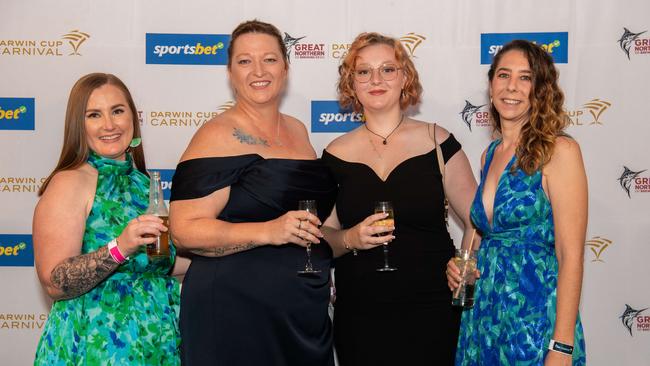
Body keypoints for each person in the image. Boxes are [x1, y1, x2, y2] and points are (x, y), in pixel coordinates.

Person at [169, 20, 337, 366]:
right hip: (234, 312)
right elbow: (184, 230)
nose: (258, 71)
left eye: (270, 60)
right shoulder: (215, 135)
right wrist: (267, 231)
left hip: (302, 313)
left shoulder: (298, 129)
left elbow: (319, 226)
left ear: (286, 68)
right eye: (245, 61)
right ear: (230, 72)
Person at [320, 32, 477, 365]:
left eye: (388, 69)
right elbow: (322, 237)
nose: (376, 79)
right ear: (352, 82)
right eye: (364, 71)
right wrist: (350, 238)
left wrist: (467, 261)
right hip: (360, 313)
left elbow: (478, 220)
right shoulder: (334, 154)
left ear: (405, 77)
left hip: (433, 309)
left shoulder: (439, 142)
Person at [448, 40, 587, 365]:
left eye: (525, 77)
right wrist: (460, 266)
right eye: (503, 75)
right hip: (484, 314)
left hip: (535, 317)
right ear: (491, 83)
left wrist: (562, 346)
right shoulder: (490, 153)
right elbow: (482, 231)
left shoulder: (560, 151)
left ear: (541, 89)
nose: (511, 86)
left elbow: (570, 256)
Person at [33, 73, 186, 365]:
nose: (109, 125)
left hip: (156, 342)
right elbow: (54, 282)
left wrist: (227, 249)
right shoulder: (70, 182)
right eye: (94, 115)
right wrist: (120, 248)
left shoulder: (143, 184)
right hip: (95, 345)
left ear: (132, 117)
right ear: (80, 125)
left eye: (117, 110)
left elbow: (157, 262)